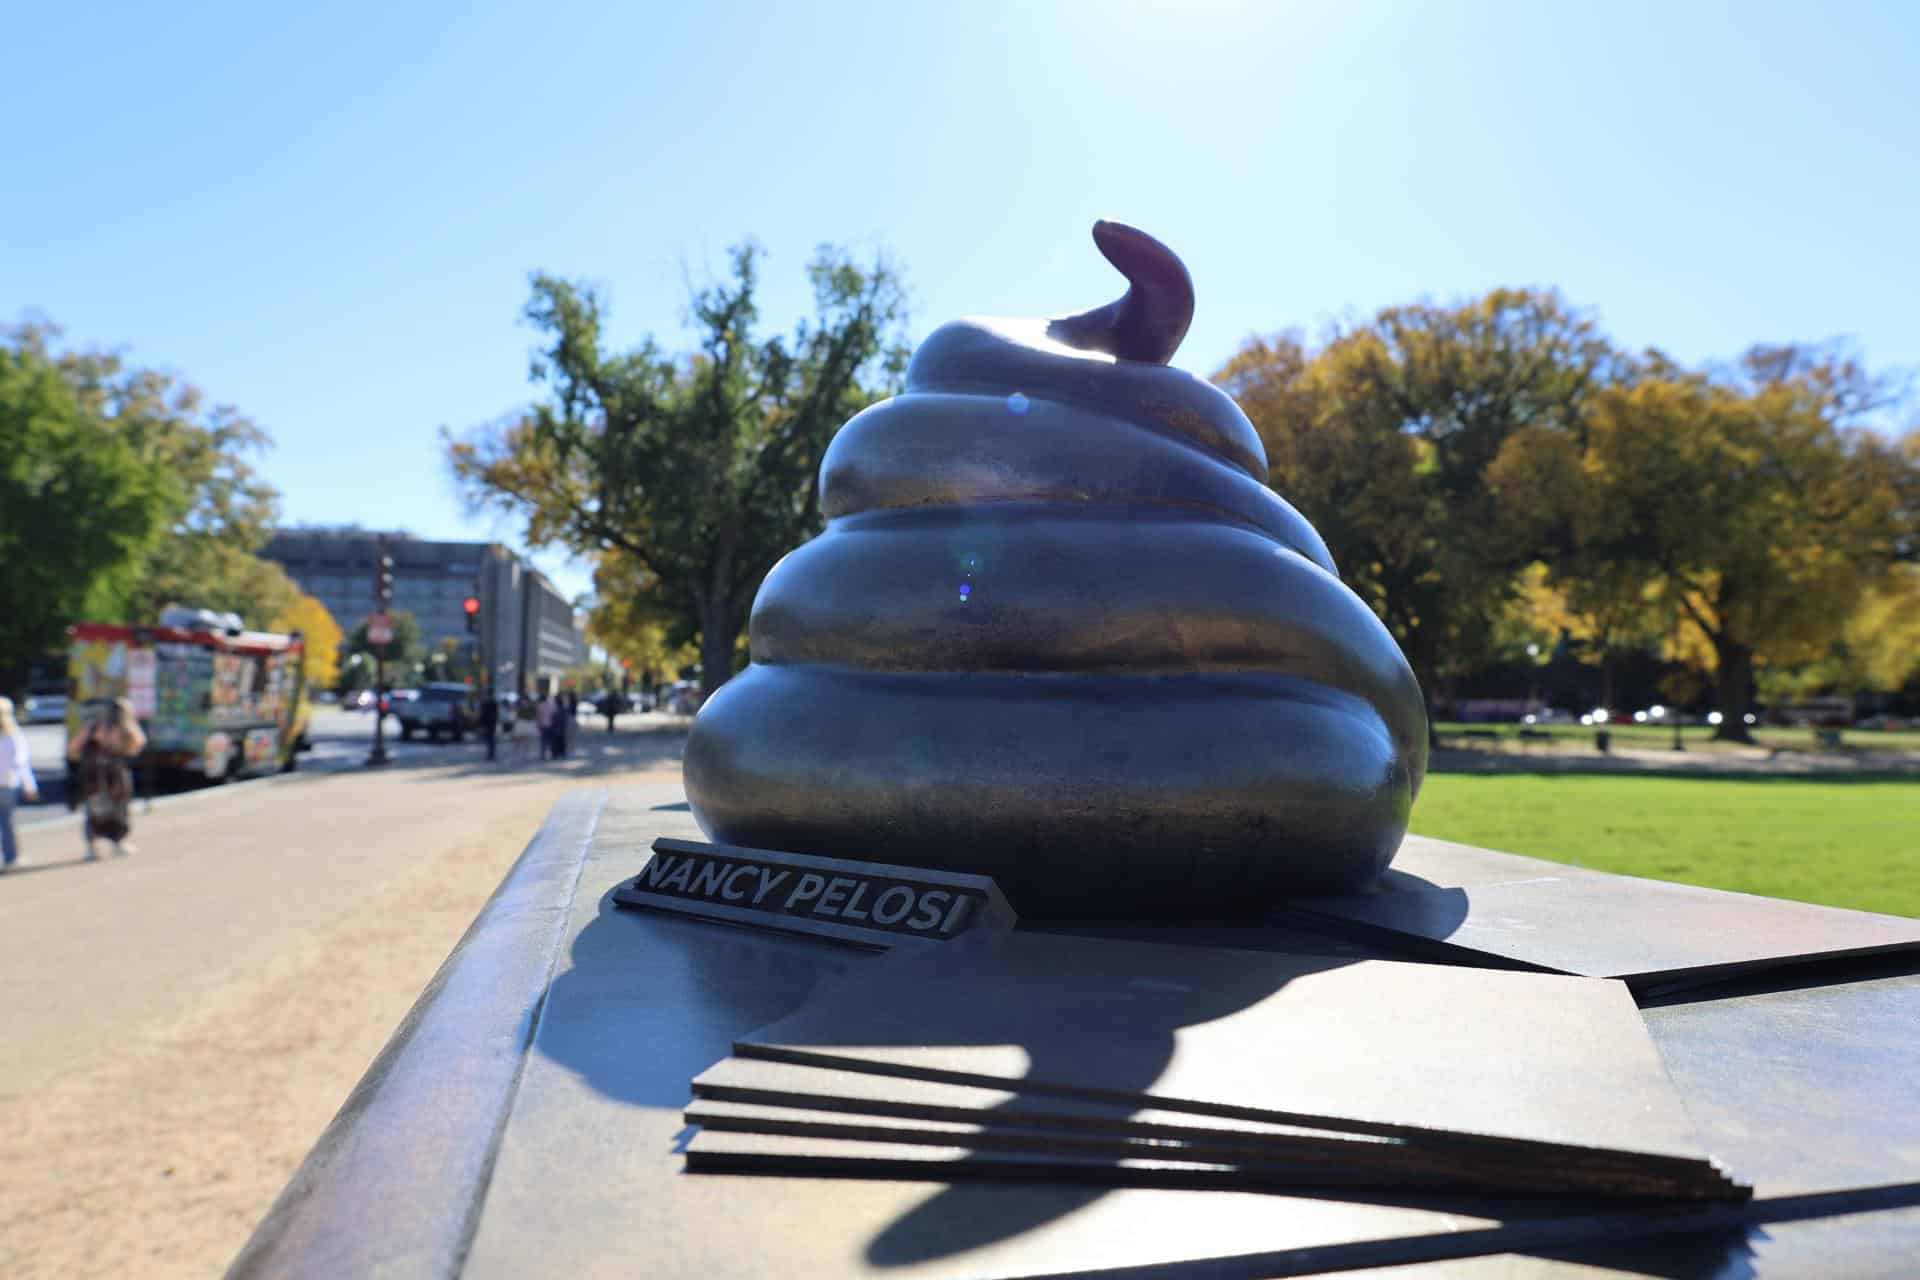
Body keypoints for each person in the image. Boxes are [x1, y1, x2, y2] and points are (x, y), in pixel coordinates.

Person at [66, 697, 146, 860]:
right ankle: (118, 842)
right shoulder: (126, 729)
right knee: (119, 810)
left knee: (94, 810)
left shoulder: (94, 727)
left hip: (94, 776)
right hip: (116, 776)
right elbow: (138, 745)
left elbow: (72, 749)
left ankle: (92, 847)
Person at [0, 696, 39, 872]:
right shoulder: (14, 736)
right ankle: (11, 858)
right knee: (8, 823)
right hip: (7, 784)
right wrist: (30, 785)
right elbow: (21, 763)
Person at [510, 689, 537, 764]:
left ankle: (524, 755)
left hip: (526, 724)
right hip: (521, 724)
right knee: (518, 741)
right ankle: (518, 755)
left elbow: (533, 715)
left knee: (525, 741)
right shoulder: (520, 707)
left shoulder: (530, 707)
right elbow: (516, 715)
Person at [478, 689, 499, 761]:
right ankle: (491, 754)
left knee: (489, 739)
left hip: (488, 723)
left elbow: (482, 714)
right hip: (492, 723)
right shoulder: (494, 702)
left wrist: (481, 723)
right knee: (490, 739)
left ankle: (490, 754)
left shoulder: (485, 703)